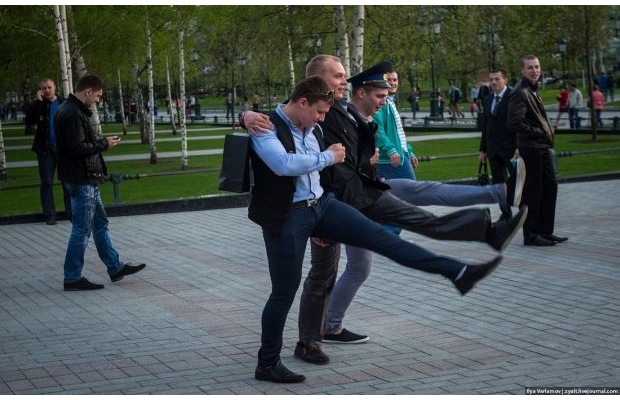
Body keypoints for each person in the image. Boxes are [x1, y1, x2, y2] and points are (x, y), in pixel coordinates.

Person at [241, 57, 527, 358]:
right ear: (314, 82)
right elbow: (289, 159)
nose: (344, 81)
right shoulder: (293, 118)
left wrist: (359, 163)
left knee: (389, 237)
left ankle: (461, 265)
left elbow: (334, 167)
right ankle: (302, 345)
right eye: (337, 76)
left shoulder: (327, 116)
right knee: (317, 276)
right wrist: (246, 115)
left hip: (336, 200)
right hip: (318, 207)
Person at [55, 74, 146, 291]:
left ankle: (115, 267)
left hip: (84, 178)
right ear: (88, 91)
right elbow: (76, 148)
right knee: (82, 229)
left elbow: (76, 144)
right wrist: (104, 144)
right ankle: (72, 277)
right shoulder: (72, 113)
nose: (97, 100)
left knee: (99, 224)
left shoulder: (70, 109)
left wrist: (101, 143)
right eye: (97, 96)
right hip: (81, 179)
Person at [507, 55, 568, 247]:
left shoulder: (532, 89)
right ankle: (531, 235)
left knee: (550, 187)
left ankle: (545, 231)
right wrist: (538, 132)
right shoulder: (520, 92)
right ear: (522, 71)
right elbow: (514, 122)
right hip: (531, 148)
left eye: (537, 67)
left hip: (540, 147)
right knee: (533, 191)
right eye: (530, 68)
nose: (535, 71)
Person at [479, 68, 525, 220]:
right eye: (491, 79)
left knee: (517, 180)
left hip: (511, 149)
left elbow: (520, 123)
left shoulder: (514, 96)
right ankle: (506, 213)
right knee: (498, 183)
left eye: (497, 79)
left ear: (505, 80)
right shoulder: (487, 98)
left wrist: (519, 145)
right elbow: (486, 125)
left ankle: (524, 209)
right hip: (493, 149)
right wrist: (482, 149)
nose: (493, 82)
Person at [25, 77, 72, 225]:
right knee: (46, 183)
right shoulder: (39, 105)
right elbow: (29, 120)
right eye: (44, 88)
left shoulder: (65, 103)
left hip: (63, 150)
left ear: (55, 87)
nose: (47, 90)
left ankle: (71, 213)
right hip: (45, 150)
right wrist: (39, 102)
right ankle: (50, 214)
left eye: (49, 87)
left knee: (67, 182)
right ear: (40, 90)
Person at [374, 67, 418, 181]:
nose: (393, 83)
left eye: (395, 80)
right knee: (411, 190)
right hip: (390, 158)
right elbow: (377, 130)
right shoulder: (381, 103)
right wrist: (391, 150)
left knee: (406, 189)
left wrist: (409, 151)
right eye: (389, 80)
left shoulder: (390, 102)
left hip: (399, 155)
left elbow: (398, 133)